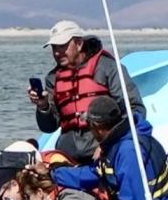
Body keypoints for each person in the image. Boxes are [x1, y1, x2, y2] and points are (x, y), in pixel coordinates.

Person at [42, 95, 168, 200]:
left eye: (89, 125)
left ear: (97, 127)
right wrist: (54, 172)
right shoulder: (116, 145)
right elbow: (91, 174)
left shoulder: (128, 151)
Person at [28, 20, 146, 164]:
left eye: (62, 46)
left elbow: (135, 110)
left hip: (105, 152)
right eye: (54, 47)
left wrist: (108, 144)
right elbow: (49, 127)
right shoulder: (53, 79)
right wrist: (43, 107)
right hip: (68, 157)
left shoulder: (108, 68)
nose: (57, 53)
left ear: (78, 44)